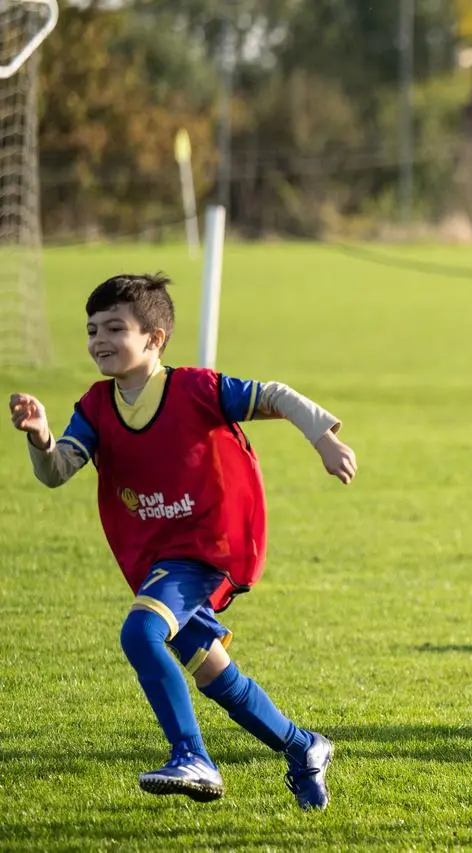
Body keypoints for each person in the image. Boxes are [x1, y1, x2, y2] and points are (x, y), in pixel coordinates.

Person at [8, 273, 357, 808]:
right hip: (154, 560)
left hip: (206, 549)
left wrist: (323, 438)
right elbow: (57, 472)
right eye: (91, 329)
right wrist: (41, 438)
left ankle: (192, 754)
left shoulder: (196, 388)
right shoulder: (97, 407)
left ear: (155, 338)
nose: (99, 339)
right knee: (215, 675)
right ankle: (302, 747)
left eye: (114, 328)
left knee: (140, 632)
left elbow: (276, 396)